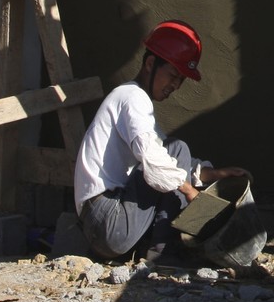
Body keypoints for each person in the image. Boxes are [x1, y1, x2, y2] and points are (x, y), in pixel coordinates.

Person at [73, 20, 247, 261]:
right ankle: (163, 254)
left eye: (180, 80)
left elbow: (167, 159)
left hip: (102, 225)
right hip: (108, 220)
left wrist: (215, 174)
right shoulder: (133, 97)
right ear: (151, 63)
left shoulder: (131, 101)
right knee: (176, 150)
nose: (174, 86)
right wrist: (189, 191)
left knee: (173, 153)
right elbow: (156, 160)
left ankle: (153, 249)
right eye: (173, 75)